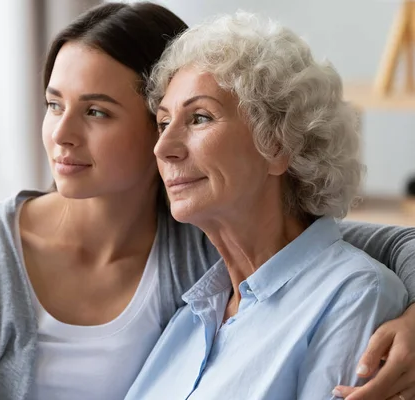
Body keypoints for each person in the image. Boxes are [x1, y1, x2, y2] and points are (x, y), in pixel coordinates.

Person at [0, 3, 415, 400]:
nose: (61, 134)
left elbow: (371, 252)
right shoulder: (206, 294)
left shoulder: (209, 251)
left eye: (96, 111)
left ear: (278, 144)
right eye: (52, 104)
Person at [124, 11, 412, 400]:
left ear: (277, 145)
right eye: (163, 123)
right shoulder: (194, 312)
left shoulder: (353, 295)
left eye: (199, 118)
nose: (163, 147)